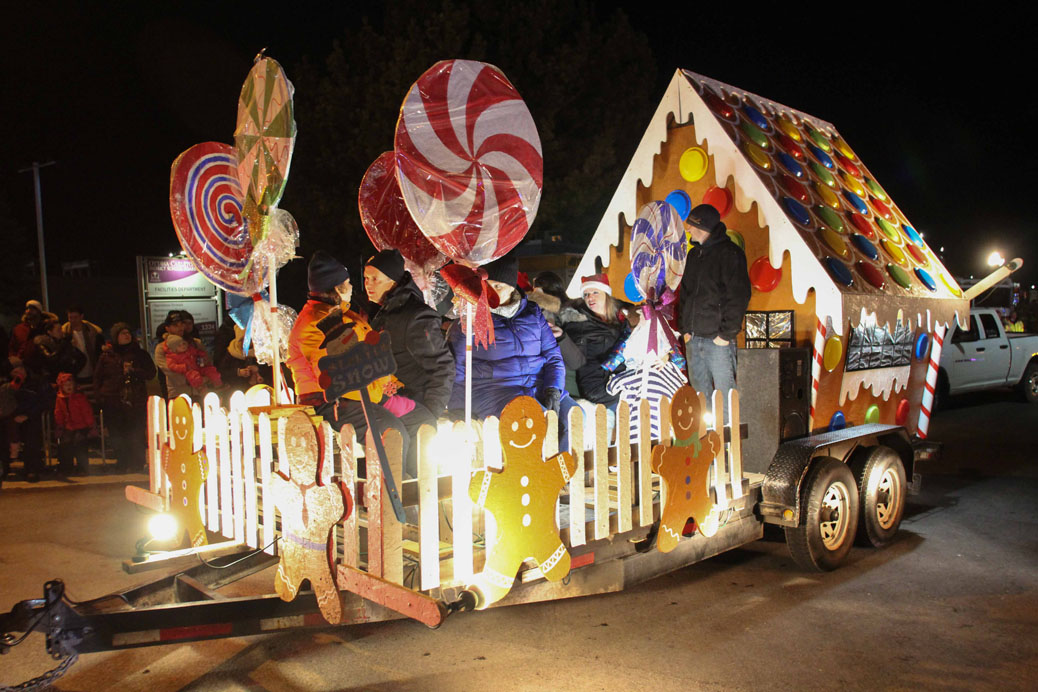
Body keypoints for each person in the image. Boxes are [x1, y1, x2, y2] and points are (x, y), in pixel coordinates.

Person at [287, 251, 411, 470]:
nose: (352, 287)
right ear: (336, 289)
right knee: (393, 434)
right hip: (330, 404)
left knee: (412, 420)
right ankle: (387, 493)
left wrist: (387, 384)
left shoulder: (339, 313)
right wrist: (379, 394)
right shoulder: (316, 323)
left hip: (356, 396)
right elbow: (338, 377)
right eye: (347, 283)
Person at [445, 254, 576, 449]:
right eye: (487, 285)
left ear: (512, 287)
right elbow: (458, 368)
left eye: (498, 286)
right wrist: (457, 408)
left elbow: (553, 357)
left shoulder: (533, 314)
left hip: (537, 387)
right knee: (539, 422)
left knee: (574, 417)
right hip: (494, 390)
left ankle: (564, 474)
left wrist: (553, 390)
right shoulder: (470, 319)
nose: (491, 291)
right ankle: (545, 475)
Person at [364, 249, 453, 424]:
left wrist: (430, 414)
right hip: (390, 409)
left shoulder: (415, 315)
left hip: (414, 410)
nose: (368, 284)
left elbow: (442, 367)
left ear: (393, 281)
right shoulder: (379, 312)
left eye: (375, 279)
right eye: (366, 278)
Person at [678, 203, 752, 397]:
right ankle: (705, 429)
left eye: (692, 225)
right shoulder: (693, 255)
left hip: (717, 339)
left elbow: (738, 296)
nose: (689, 229)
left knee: (725, 394)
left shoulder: (730, 254)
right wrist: (685, 330)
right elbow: (685, 294)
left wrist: (725, 335)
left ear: (704, 227)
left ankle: (727, 429)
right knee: (700, 395)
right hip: (693, 338)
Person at [555, 274, 631, 441]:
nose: (590, 298)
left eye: (595, 292)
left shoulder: (621, 320)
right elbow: (576, 362)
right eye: (586, 294)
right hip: (597, 385)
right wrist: (562, 338)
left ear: (606, 294)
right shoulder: (580, 323)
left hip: (619, 381)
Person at [94, 323, 156, 472]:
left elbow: (151, 373)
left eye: (128, 332)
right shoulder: (107, 356)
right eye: (122, 333)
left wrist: (134, 371)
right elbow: (98, 378)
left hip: (135, 399)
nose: (126, 335)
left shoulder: (140, 354)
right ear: (116, 337)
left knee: (135, 432)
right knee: (117, 434)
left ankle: (137, 463)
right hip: (112, 400)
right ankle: (121, 462)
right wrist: (100, 397)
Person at [54, 373, 95, 476]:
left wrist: (91, 426)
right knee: (65, 444)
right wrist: (60, 426)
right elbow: (58, 413)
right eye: (66, 385)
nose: (69, 387)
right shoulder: (60, 399)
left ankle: (83, 468)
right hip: (68, 427)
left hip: (82, 426)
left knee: (80, 443)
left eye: (70, 384)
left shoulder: (79, 397)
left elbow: (87, 412)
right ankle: (66, 468)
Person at [62, 305, 104, 392]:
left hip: (91, 372)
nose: (72, 320)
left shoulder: (93, 332)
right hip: (73, 375)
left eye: (75, 317)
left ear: (81, 316)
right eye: (70, 317)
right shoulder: (65, 334)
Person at [31, 318, 85, 383]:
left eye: (61, 329)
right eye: (58, 330)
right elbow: (51, 359)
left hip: (65, 379)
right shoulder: (43, 342)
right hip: (50, 380)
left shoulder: (63, 342)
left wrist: (71, 372)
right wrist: (63, 345)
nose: (61, 332)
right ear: (49, 332)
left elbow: (82, 358)